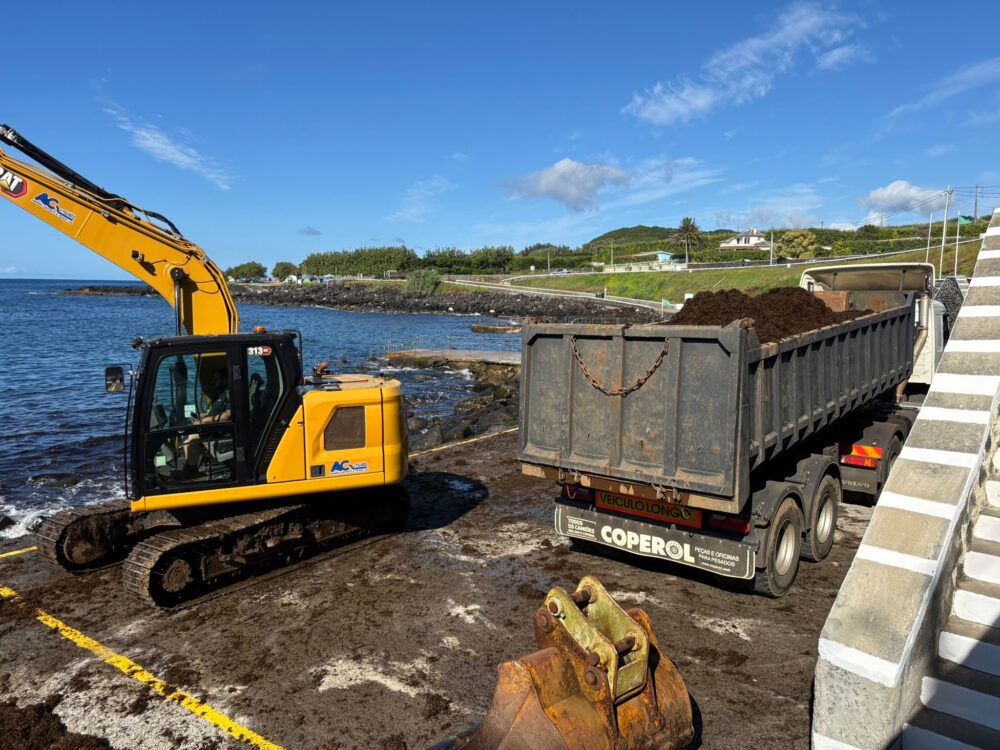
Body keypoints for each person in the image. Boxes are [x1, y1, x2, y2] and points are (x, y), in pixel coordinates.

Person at [181, 368, 231, 471]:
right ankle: (190, 465)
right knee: (186, 429)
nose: (214, 382)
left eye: (217, 379)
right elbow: (215, 412)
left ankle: (190, 469)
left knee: (190, 437)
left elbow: (226, 415)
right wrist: (203, 416)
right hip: (211, 425)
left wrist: (204, 421)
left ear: (225, 379)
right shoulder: (220, 395)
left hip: (219, 429)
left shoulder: (230, 395)